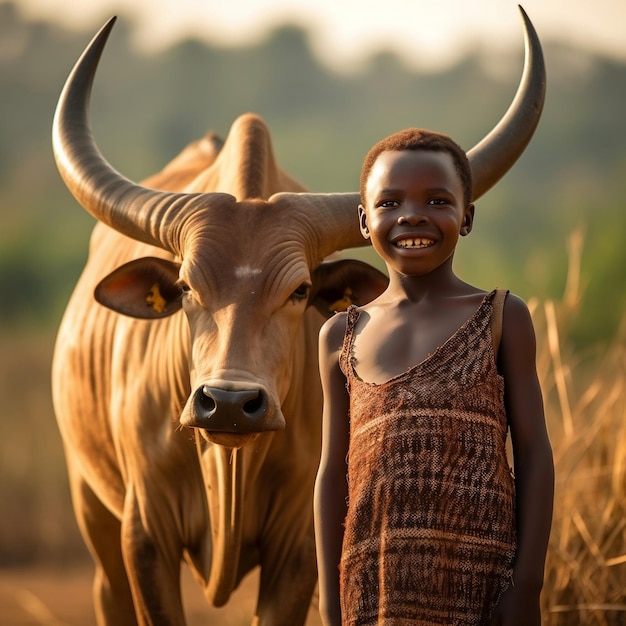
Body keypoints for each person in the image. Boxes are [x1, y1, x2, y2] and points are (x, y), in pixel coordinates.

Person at [314, 128, 554, 626]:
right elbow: (332, 473)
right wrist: (329, 603)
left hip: (481, 587)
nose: (412, 215)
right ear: (364, 221)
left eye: (437, 199)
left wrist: (527, 586)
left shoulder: (501, 318)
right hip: (373, 590)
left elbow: (533, 454)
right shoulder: (341, 335)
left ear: (466, 217)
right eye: (389, 202)